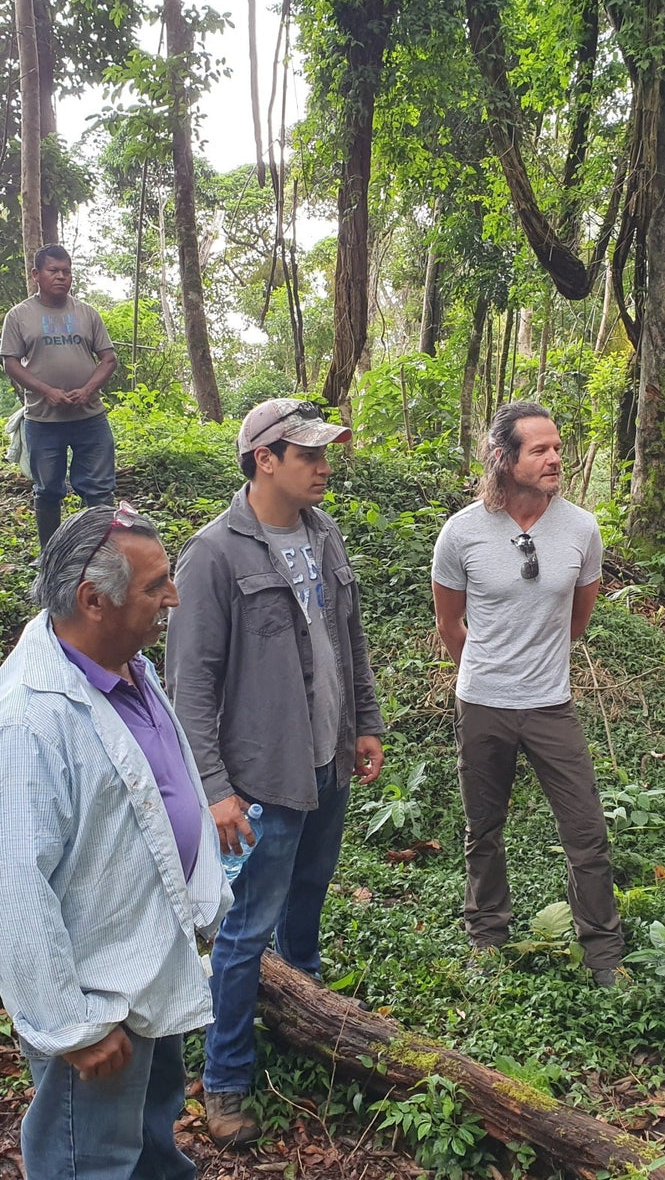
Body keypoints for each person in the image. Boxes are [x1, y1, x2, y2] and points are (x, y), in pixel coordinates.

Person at [165, 397, 385, 1147]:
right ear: (265, 459)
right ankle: (225, 1080)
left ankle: (306, 1027)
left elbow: (348, 642)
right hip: (261, 781)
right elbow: (189, 685)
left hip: (327, 764)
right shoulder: (215, 554)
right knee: (244, 930)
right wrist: (217, 790)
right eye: (310, 455)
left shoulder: (323, 535)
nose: (326, 468)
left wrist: (365, 724)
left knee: (305, 916)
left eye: (326, 454)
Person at [0, 506, 230, 1179]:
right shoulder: (29, 718)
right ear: (93, 601)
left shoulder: (128, 666)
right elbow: (13, 881)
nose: (174, 598)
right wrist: (70, 1028)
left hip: (152, 968)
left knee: (151, 1144)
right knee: (89, 1162)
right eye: (156, 585)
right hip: (100, 1006)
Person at [431, 400, 624, 986]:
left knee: (586, 831)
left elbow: (578, 617)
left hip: (551, 704)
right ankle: (487, 937)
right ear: (502, 458)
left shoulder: (581, 529)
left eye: (557, 447)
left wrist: (537, 668)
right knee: (482, 827)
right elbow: (449, 624)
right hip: (484, 702)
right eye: (539, 449)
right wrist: (487, 675)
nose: (554, 458)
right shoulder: (461, 532)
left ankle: (604, 956)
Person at [1, 244, 118, 547]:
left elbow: (108, 358)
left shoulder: (86, 313)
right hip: (42, 420)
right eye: (54, 271)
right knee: (48, 490)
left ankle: (96, 554)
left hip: (89, 418)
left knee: (100, 491)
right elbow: (10, 362)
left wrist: (88, 389)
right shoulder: (19, 316)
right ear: (36, 274)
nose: (61, 277)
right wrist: (46, 390)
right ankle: (50, 558)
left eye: (66, 271)